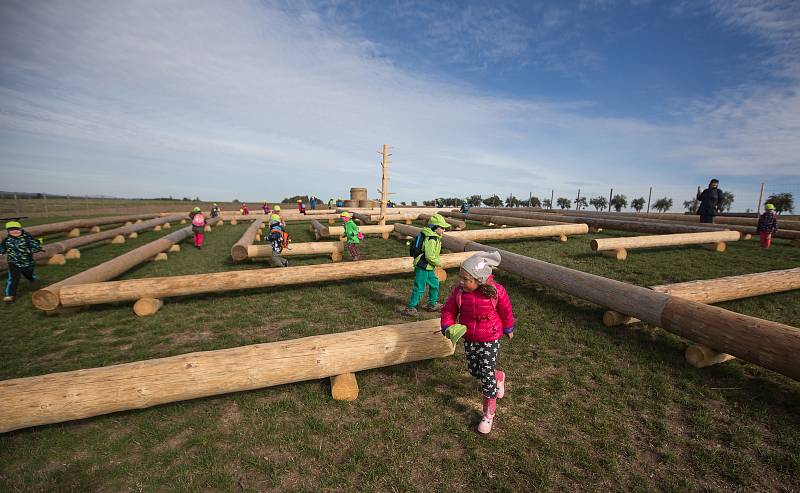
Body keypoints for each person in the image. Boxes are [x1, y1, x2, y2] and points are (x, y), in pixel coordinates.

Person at [440, 251, 515, 434]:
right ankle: (499, 376)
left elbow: (506, 310)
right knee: (476, 371)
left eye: (466, 279)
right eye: (461, 278)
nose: (461, 282)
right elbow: (449, 310)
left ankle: (488, 415)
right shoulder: (459, 293)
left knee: (486, 378)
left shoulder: (496, 292)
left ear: (479, 279)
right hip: (470, 338)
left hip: (490, 337)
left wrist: (508, 328)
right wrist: (448, 325)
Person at [401, 213, 451, 317]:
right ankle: (409, 308)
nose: (444, 230)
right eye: (442, 228)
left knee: (434, 284)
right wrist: (438, 263)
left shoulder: (435, 237)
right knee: (419, 288)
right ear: (435, 227)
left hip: (429, 266)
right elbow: (429, 256)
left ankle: (432, 304)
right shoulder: (431, 239)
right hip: (423, 266)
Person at [1, 220, 44, 302]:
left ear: (20, 229)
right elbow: (2, 247)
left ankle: (31, 278)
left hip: (27, 262)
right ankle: (10, 295)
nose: (15, 231)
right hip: (13, 262)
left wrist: (32, 250)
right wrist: (1, 251)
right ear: (8, 231)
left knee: (29, 274)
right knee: (14, 278)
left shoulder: (27, 238)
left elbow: (37, 245)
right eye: (11, 230)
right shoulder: (7, 240)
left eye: (16, 229)